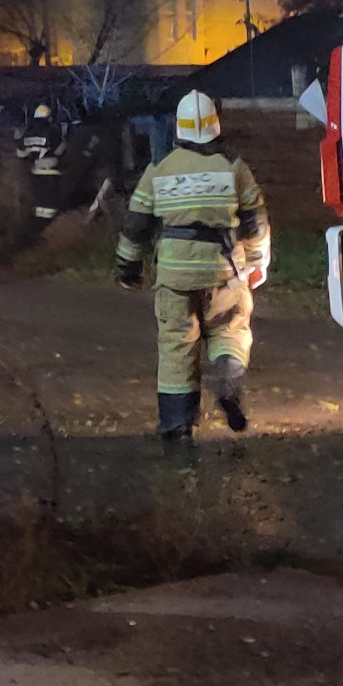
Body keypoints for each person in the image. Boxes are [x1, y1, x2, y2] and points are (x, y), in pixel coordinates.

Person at [113, 89, 270, 443]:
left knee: (176, 346)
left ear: (178, 129)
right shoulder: (233, 167)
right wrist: (258, 260)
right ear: (216, 126)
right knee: (230, 330)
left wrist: (128, 268)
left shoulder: (159, 170)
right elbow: (255, 219)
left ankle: (176, 425)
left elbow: (135, 226)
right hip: (225, 272)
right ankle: (227, 383)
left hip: (175, 277)